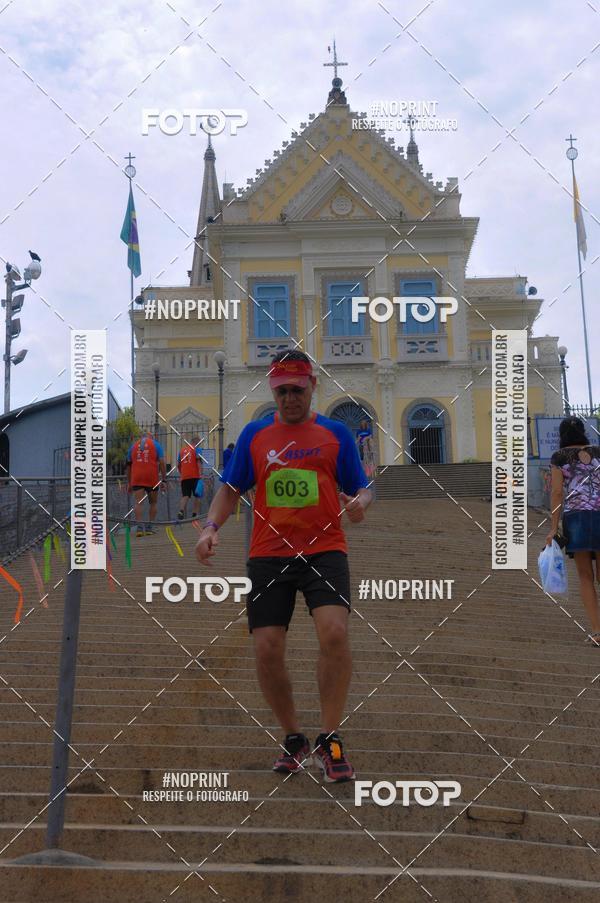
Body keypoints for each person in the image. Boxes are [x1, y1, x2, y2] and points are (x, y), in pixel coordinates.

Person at [195, 349, 372, 782]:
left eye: (297, 389)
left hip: (324, 550)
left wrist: (359, 505)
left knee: (334, 631)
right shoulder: (256, 436)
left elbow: (363, 488)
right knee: (266, 647)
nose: (290, 398)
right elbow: (230, 488)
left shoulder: (336, 435)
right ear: (273, 391)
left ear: (313, 387)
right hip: (269, 555)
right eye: (282, 391)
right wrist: (210, 527)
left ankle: (330, 739)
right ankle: (294, 738)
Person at [547, 416, 600, 645]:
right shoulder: (598, 451)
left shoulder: (559, 457)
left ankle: (598, 632)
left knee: (585, 576)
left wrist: (553, 527)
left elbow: (557, 493)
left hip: (577, 518)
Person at [126, 431, 166, 537]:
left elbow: (128, 466)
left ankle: (139, 528)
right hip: (152, 477)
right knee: (153, 503)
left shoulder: (133, 447)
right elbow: (162, 462)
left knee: (138, 503)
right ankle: (149, 527)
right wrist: (164, 479)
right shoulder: (156, 445)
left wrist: (129, 483)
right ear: (151, 437)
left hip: (137, 477)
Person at [177, 437, 203, 521]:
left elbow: (178, 464)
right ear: (196, 442)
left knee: (185, 496)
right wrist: (200, 474)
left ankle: (181, 511)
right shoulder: (197, 449)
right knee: (197, 495)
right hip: (195, 476)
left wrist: (182, 473)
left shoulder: (181, 451)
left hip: (184, 477)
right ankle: (194, 514)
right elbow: (198, 461)